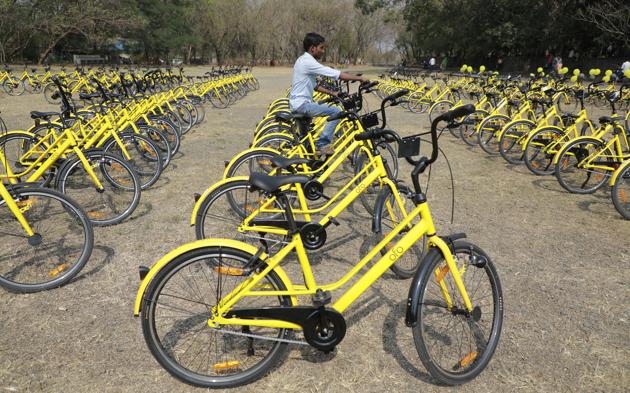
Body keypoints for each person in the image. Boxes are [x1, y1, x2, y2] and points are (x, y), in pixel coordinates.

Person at [289, 33, 368, 156]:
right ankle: (322, 144)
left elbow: (315, 86)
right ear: (312, 48)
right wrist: (360, 78)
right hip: (301, 105)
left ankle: (308, 161)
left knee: (306, 143)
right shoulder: (308, 62)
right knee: (336, 111)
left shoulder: (302, 60)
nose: (323, 51)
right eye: (321, 48)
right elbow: (336, 74)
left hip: (298, 103)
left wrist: (333, 93)